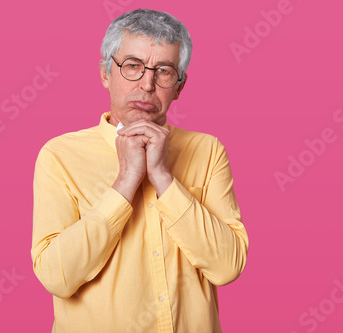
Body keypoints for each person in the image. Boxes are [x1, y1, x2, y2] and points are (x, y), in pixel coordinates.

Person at [31, 8, 248, 333]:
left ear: (179, 86)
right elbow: (57, 277)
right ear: (106, 73)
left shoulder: (207, 151)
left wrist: (163, 177)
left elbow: (227, 267)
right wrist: (125, 182)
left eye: (164, 71)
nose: (147, 84)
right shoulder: (59, 156)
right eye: (132, 66)